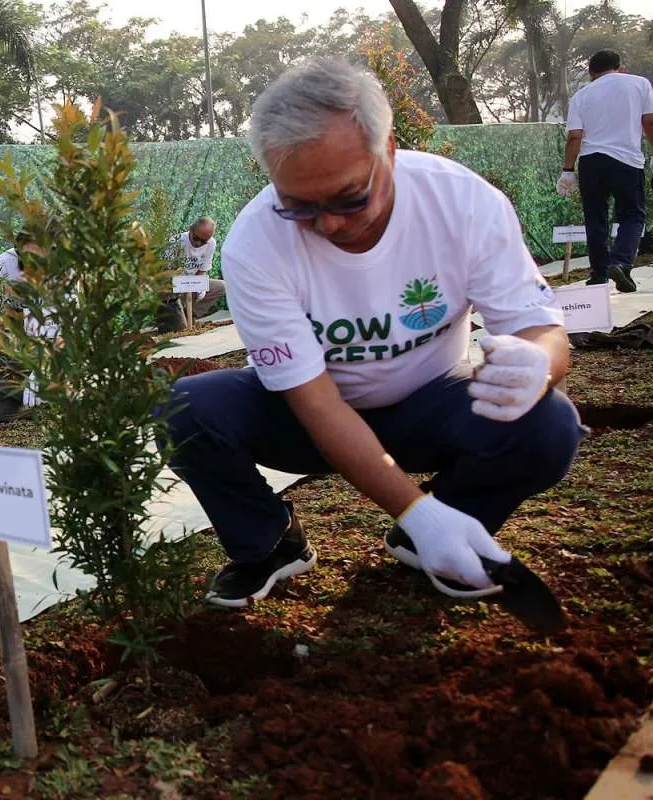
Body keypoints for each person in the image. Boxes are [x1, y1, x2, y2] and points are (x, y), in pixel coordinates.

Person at [159, 58, 583, 609]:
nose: (329, 223)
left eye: (349, 197)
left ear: (388, 151)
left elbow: (541, 329)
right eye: (299, 207)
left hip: (429, 405)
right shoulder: (255, 244)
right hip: (308, 420)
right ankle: (267, 542)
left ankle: (442, 527)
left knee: (547, 425)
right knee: (184, 409)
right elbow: (317, 404)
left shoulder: (460, 203)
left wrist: (538, 363)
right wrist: (413, 505)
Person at [557, 49, 653, 294]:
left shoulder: (582, 95)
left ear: (591, 73)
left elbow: (574, 136)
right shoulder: (639, 84)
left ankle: (598, 274)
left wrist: (568, 170)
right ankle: (620, 262)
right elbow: (649, 122)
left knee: (595, 219)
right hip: (626, 161)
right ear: (620, 66)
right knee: (632, 215)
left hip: (591, 162)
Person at [156, 217, 227, 333]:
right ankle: (178, 317)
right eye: (196, 238)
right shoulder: (176, 242)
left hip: (191, 284)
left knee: (221, 286)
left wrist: (200, 287)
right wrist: (182, 286)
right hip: (173, 287)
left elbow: (202, 269)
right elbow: (164, 273)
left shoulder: (211, 244)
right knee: (178, 329)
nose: (199, 244)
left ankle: (190, 315)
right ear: (191, 230)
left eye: (204, 241)